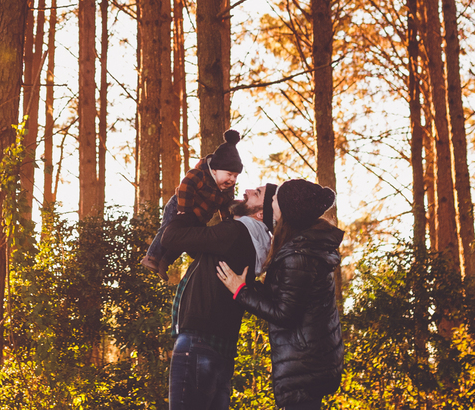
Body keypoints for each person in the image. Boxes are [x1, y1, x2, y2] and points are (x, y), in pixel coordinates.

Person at [216, 179, 343, 410]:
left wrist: (240, 291)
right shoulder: (301, 248)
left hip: (305, 363)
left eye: (274, 199)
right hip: (310, 359)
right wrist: (251, 287)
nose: (271, 201)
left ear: (286, 210)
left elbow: (285, 313)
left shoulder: (299, 255)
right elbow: (287, 297)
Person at [158, 182, 279, 410]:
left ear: (261, 213)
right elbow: (199, 247)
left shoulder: (235, 232)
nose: (247, 191)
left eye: (257, 193)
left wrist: (185, 210)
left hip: (198, 343)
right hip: (222, 349)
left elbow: (171, 237)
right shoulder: (255, 244)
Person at [140, 129, 244, 275]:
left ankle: (165, 261)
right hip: (180, 206)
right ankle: (152, 256)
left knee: (186, 239)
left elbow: (225, 205)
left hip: (198, 216)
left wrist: (227, 221)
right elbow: (186, 187)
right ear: (214, 170)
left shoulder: (226, 189)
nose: (232, 179)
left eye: (235, 176)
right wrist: (183, 210)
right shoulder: (200, 175)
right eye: (229, 174)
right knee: (169, 229)